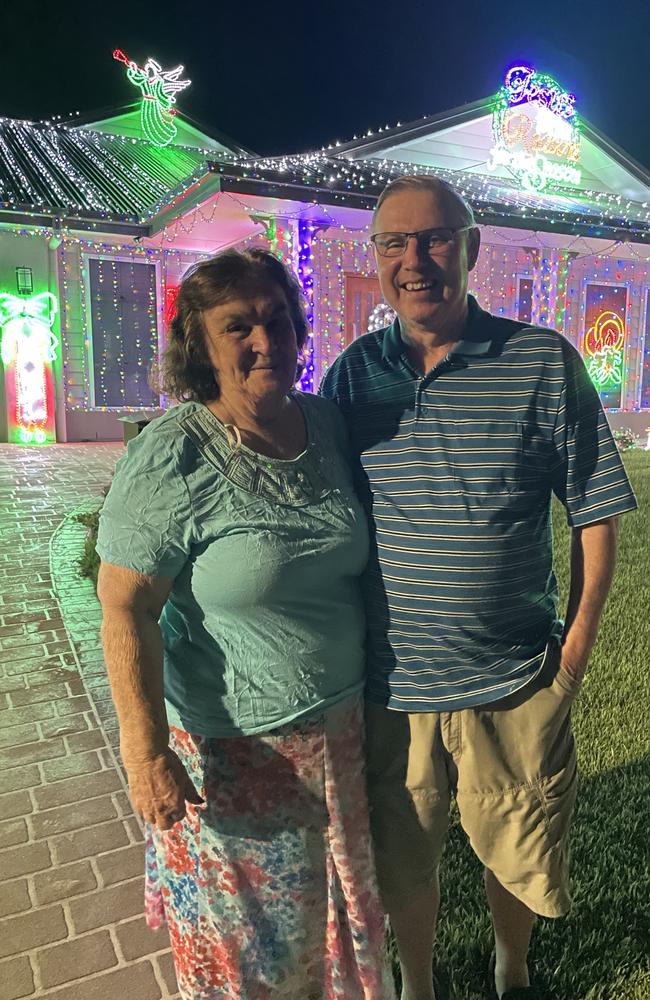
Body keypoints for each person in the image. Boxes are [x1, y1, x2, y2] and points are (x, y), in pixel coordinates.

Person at [320, 175, 637, 1000]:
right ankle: (418, 984)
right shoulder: (353, 380)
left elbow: (595, 510)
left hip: (515, 680)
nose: (414, 260)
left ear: (471, 247)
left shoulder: (542, 362)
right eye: (394, 243)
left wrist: (574, 652)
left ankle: (512, 971)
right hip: (392, 686)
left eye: (434, 239)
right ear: (376, 256)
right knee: (403, 862)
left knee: (517, 850)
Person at [96, 248, 396, 1000]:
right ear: (200, 344)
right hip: (234, 761)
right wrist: (144, 754)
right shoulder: (175, 454)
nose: (264, 339)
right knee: (256, 964)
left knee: (337, 938)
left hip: (339, 736)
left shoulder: (325, 424)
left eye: (276, 319)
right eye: (238, 325)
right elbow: (124, 603)